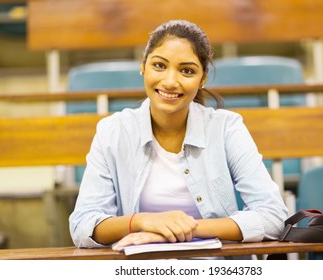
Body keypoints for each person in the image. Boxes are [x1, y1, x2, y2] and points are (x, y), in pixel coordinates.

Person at [69, 19, 288, 249]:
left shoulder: (226, 128)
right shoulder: (112, 131)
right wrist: (143, 221)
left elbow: (273, 217)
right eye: (159, 66)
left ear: (202, 78)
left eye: (186, 71)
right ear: (143, 66)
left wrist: (178, 230)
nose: (171, 81)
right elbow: (83, 225)